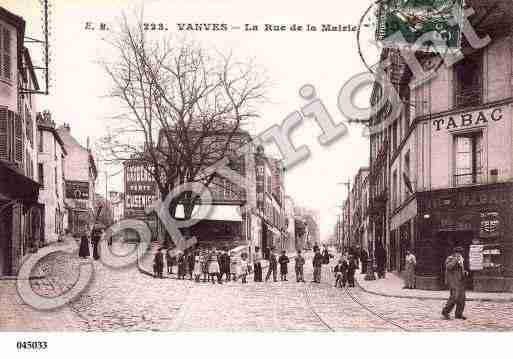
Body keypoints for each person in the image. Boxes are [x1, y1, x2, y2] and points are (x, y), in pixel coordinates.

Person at [442, 246, 467, 320]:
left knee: (462, 298)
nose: (459, 254)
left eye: (460, 253)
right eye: (458, 253)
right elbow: (449, 267)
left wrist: (464, 272)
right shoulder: (450, 258)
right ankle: (445, 312)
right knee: (454, 297)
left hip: (460, 281)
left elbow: (460, 269)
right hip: (453, 281)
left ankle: (459, 314)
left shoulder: (461, 260)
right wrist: (455, 260)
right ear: (455, 253)